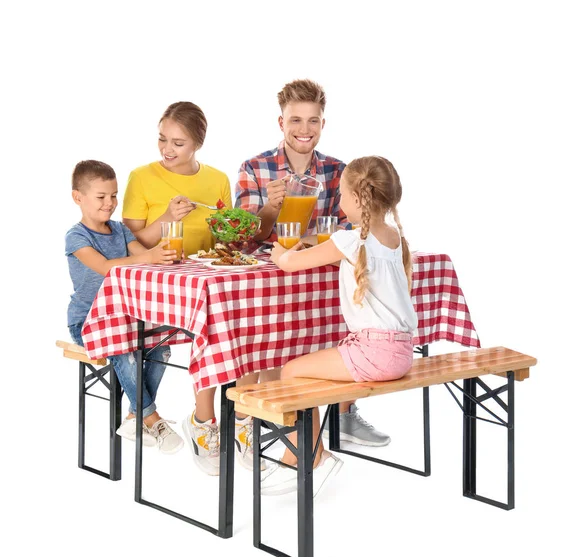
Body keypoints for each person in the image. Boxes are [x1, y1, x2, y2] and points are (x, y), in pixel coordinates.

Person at [235, 79, 392, 448]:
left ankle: (343, 414)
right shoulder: (254, 168)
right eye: (296, 120)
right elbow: (243, 239)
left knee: (352, 323)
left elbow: (354, 227)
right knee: (264, 348)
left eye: (313, 121)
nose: (304, 129)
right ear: (281, 123)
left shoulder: (340, 171)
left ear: (323, 123)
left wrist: (315, 241)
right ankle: (253, 426)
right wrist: (271, 208)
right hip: (271, 278)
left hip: (321, 274)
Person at [264, 156, 418, 496]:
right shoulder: (394, 237)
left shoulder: (349, 240)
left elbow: (290, 264)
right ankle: (313, 453)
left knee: (290, 372)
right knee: (307, 367)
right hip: (402, 352)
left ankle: (305, 456)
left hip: (375, 354)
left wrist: (279, 254)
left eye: (343, 195)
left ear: (358, 199)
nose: (339, 200)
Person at [122, 101, 257, 475]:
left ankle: (243, 418)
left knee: (250, 320)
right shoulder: (141, 176)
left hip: (204, 279)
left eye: (178, 143)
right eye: (163, 139)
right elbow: (126, 241)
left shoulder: (216, 180)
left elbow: (226, 236)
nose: (167, 149)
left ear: (198, 143)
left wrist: (235, 237)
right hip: (156, 282)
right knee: (215, 321)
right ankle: (204, 422)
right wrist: (166, 217)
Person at [65, 160, 184, 454]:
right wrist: (149, 257)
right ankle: (151, 417)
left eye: (114, 196)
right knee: (126, 352)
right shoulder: (77, 236)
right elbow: (106, 267)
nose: (110, 204)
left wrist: (163, 256)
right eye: (101, 197)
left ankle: (134, 416)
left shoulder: (120, 231)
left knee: (163, 344)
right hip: (89, 323)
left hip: (127, 319)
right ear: (78, 197)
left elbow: (145, 259)